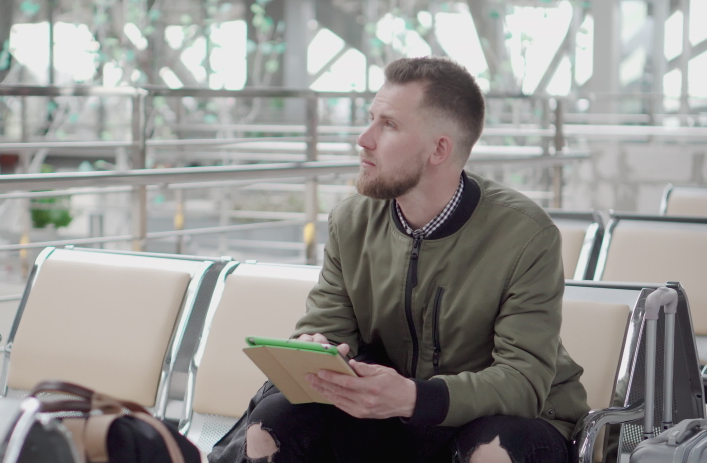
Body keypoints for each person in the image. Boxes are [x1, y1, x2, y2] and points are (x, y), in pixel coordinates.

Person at [209, 56, 590, 463]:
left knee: (495, 449)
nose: (364, 138)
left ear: (439, 149)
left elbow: (522, 382)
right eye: (371, 118)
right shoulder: (351, 220)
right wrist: (316, 350)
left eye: (387, 125)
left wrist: (413, 397)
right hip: (386, 414)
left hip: (512, 421)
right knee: (276, 421)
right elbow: (327, 326)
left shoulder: (526, 234)